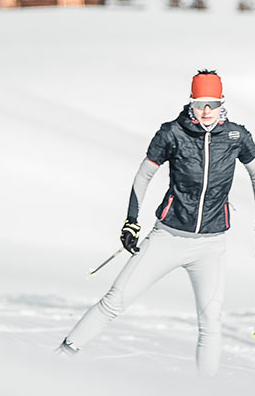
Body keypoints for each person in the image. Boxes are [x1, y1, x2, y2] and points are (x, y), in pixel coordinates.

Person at [59, 70, 255, 376]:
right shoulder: (171, 133)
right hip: (167, 237)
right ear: (191, 102)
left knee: (211, 322)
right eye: (201, 103)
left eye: (213, 104)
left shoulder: (236, 136)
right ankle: (58, 359)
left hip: (211, 245)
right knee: (114, 301)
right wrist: (131, 222)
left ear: (222, 104)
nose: (207, 111)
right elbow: (143, 175)